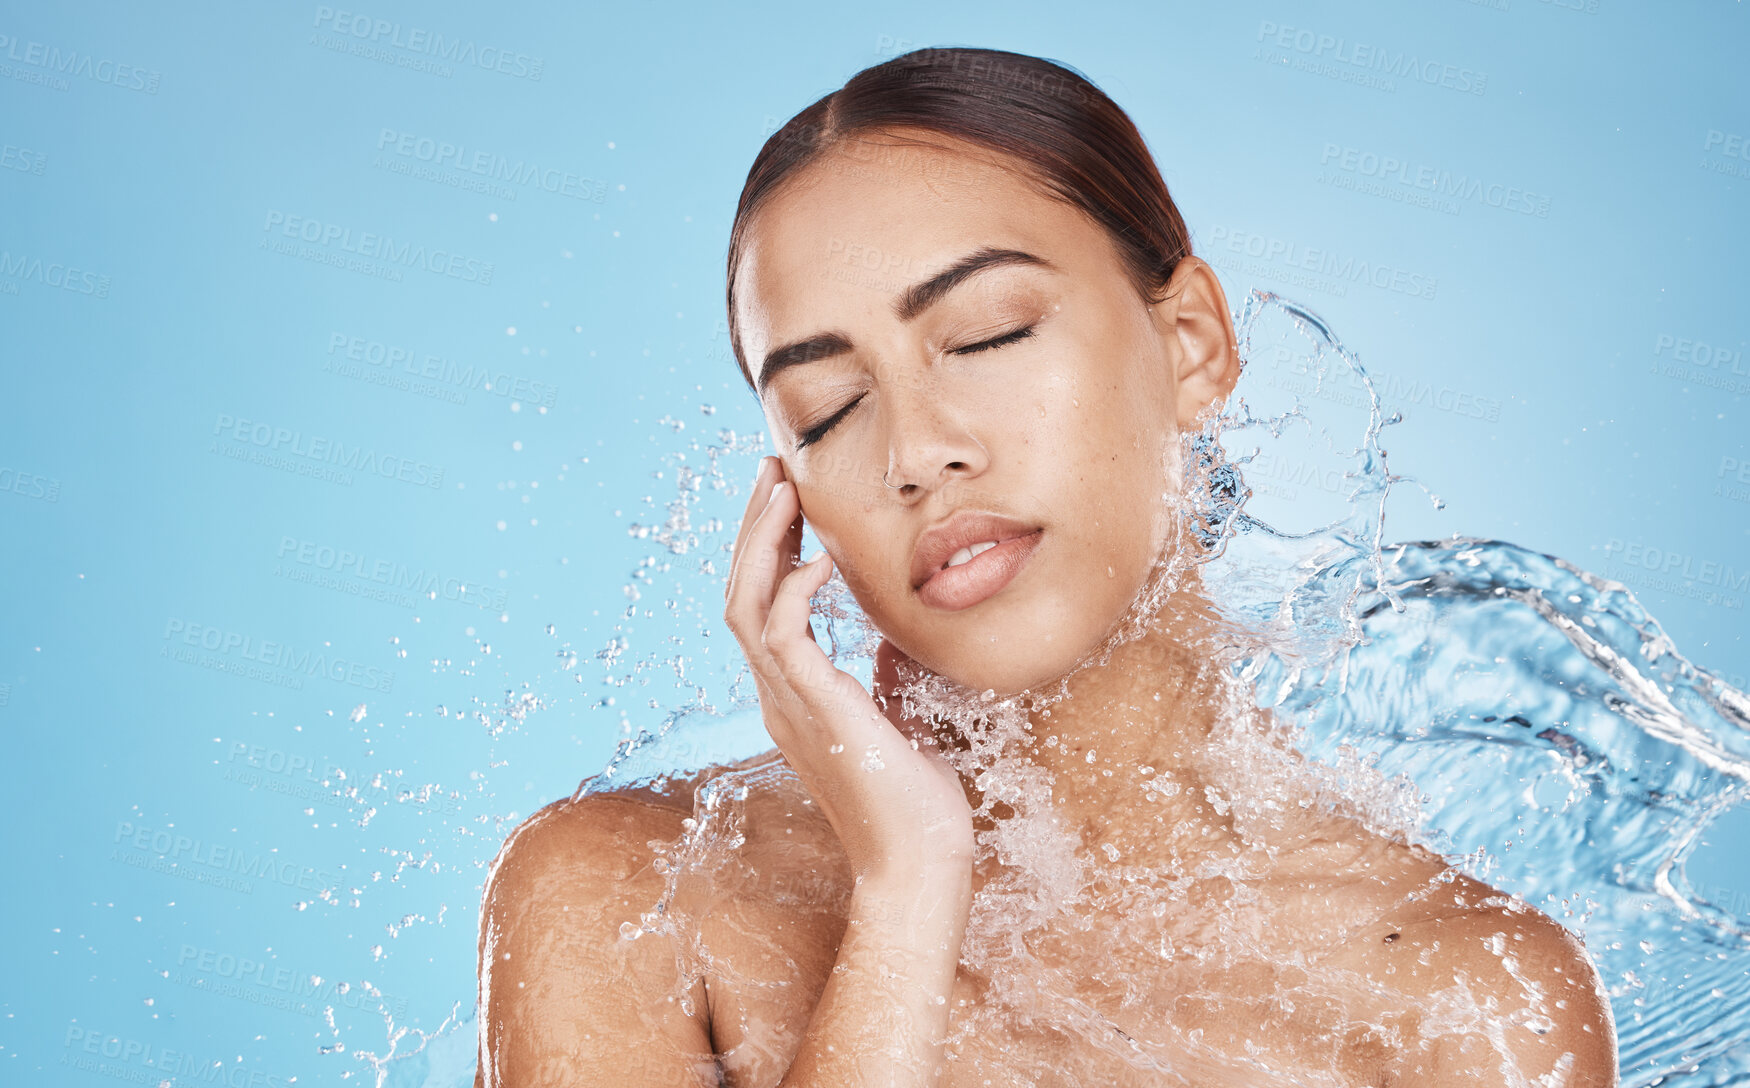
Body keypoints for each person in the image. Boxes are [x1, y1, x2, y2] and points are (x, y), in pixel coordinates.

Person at [474, 47, 1620, 1087]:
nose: (918, 450)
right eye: (826, 412)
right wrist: (906, 890)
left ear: (1191, 344)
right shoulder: (626, 897)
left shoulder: (1473, 1007)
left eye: (984, 335)